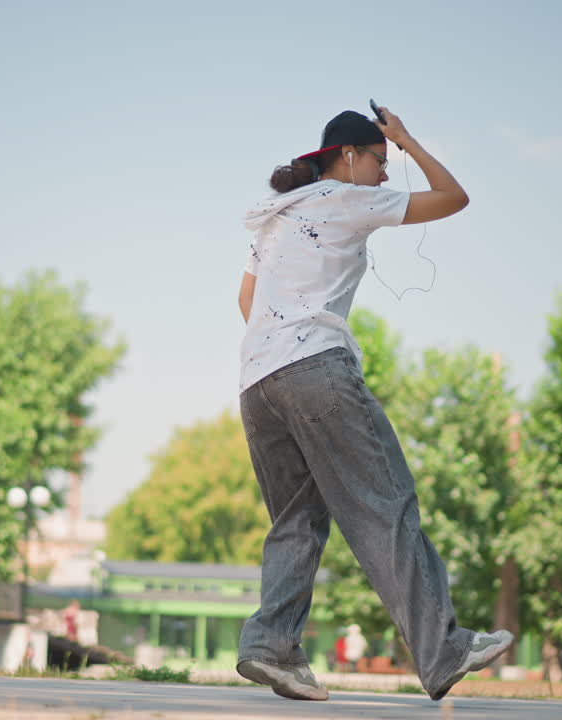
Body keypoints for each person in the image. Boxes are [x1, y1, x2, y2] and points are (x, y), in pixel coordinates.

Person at [233, 106, 514, 702]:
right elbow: (452, 198)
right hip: (316, 371)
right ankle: (443, 649)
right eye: (381, 163)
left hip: (259, 382)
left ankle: (270, 646)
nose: (386, 176)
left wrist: (281, 348)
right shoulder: (344, 196)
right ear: (350, 156)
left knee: (297, 519)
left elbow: (247, 300)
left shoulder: (276, 215)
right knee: (384, 505)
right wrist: (408, 140)